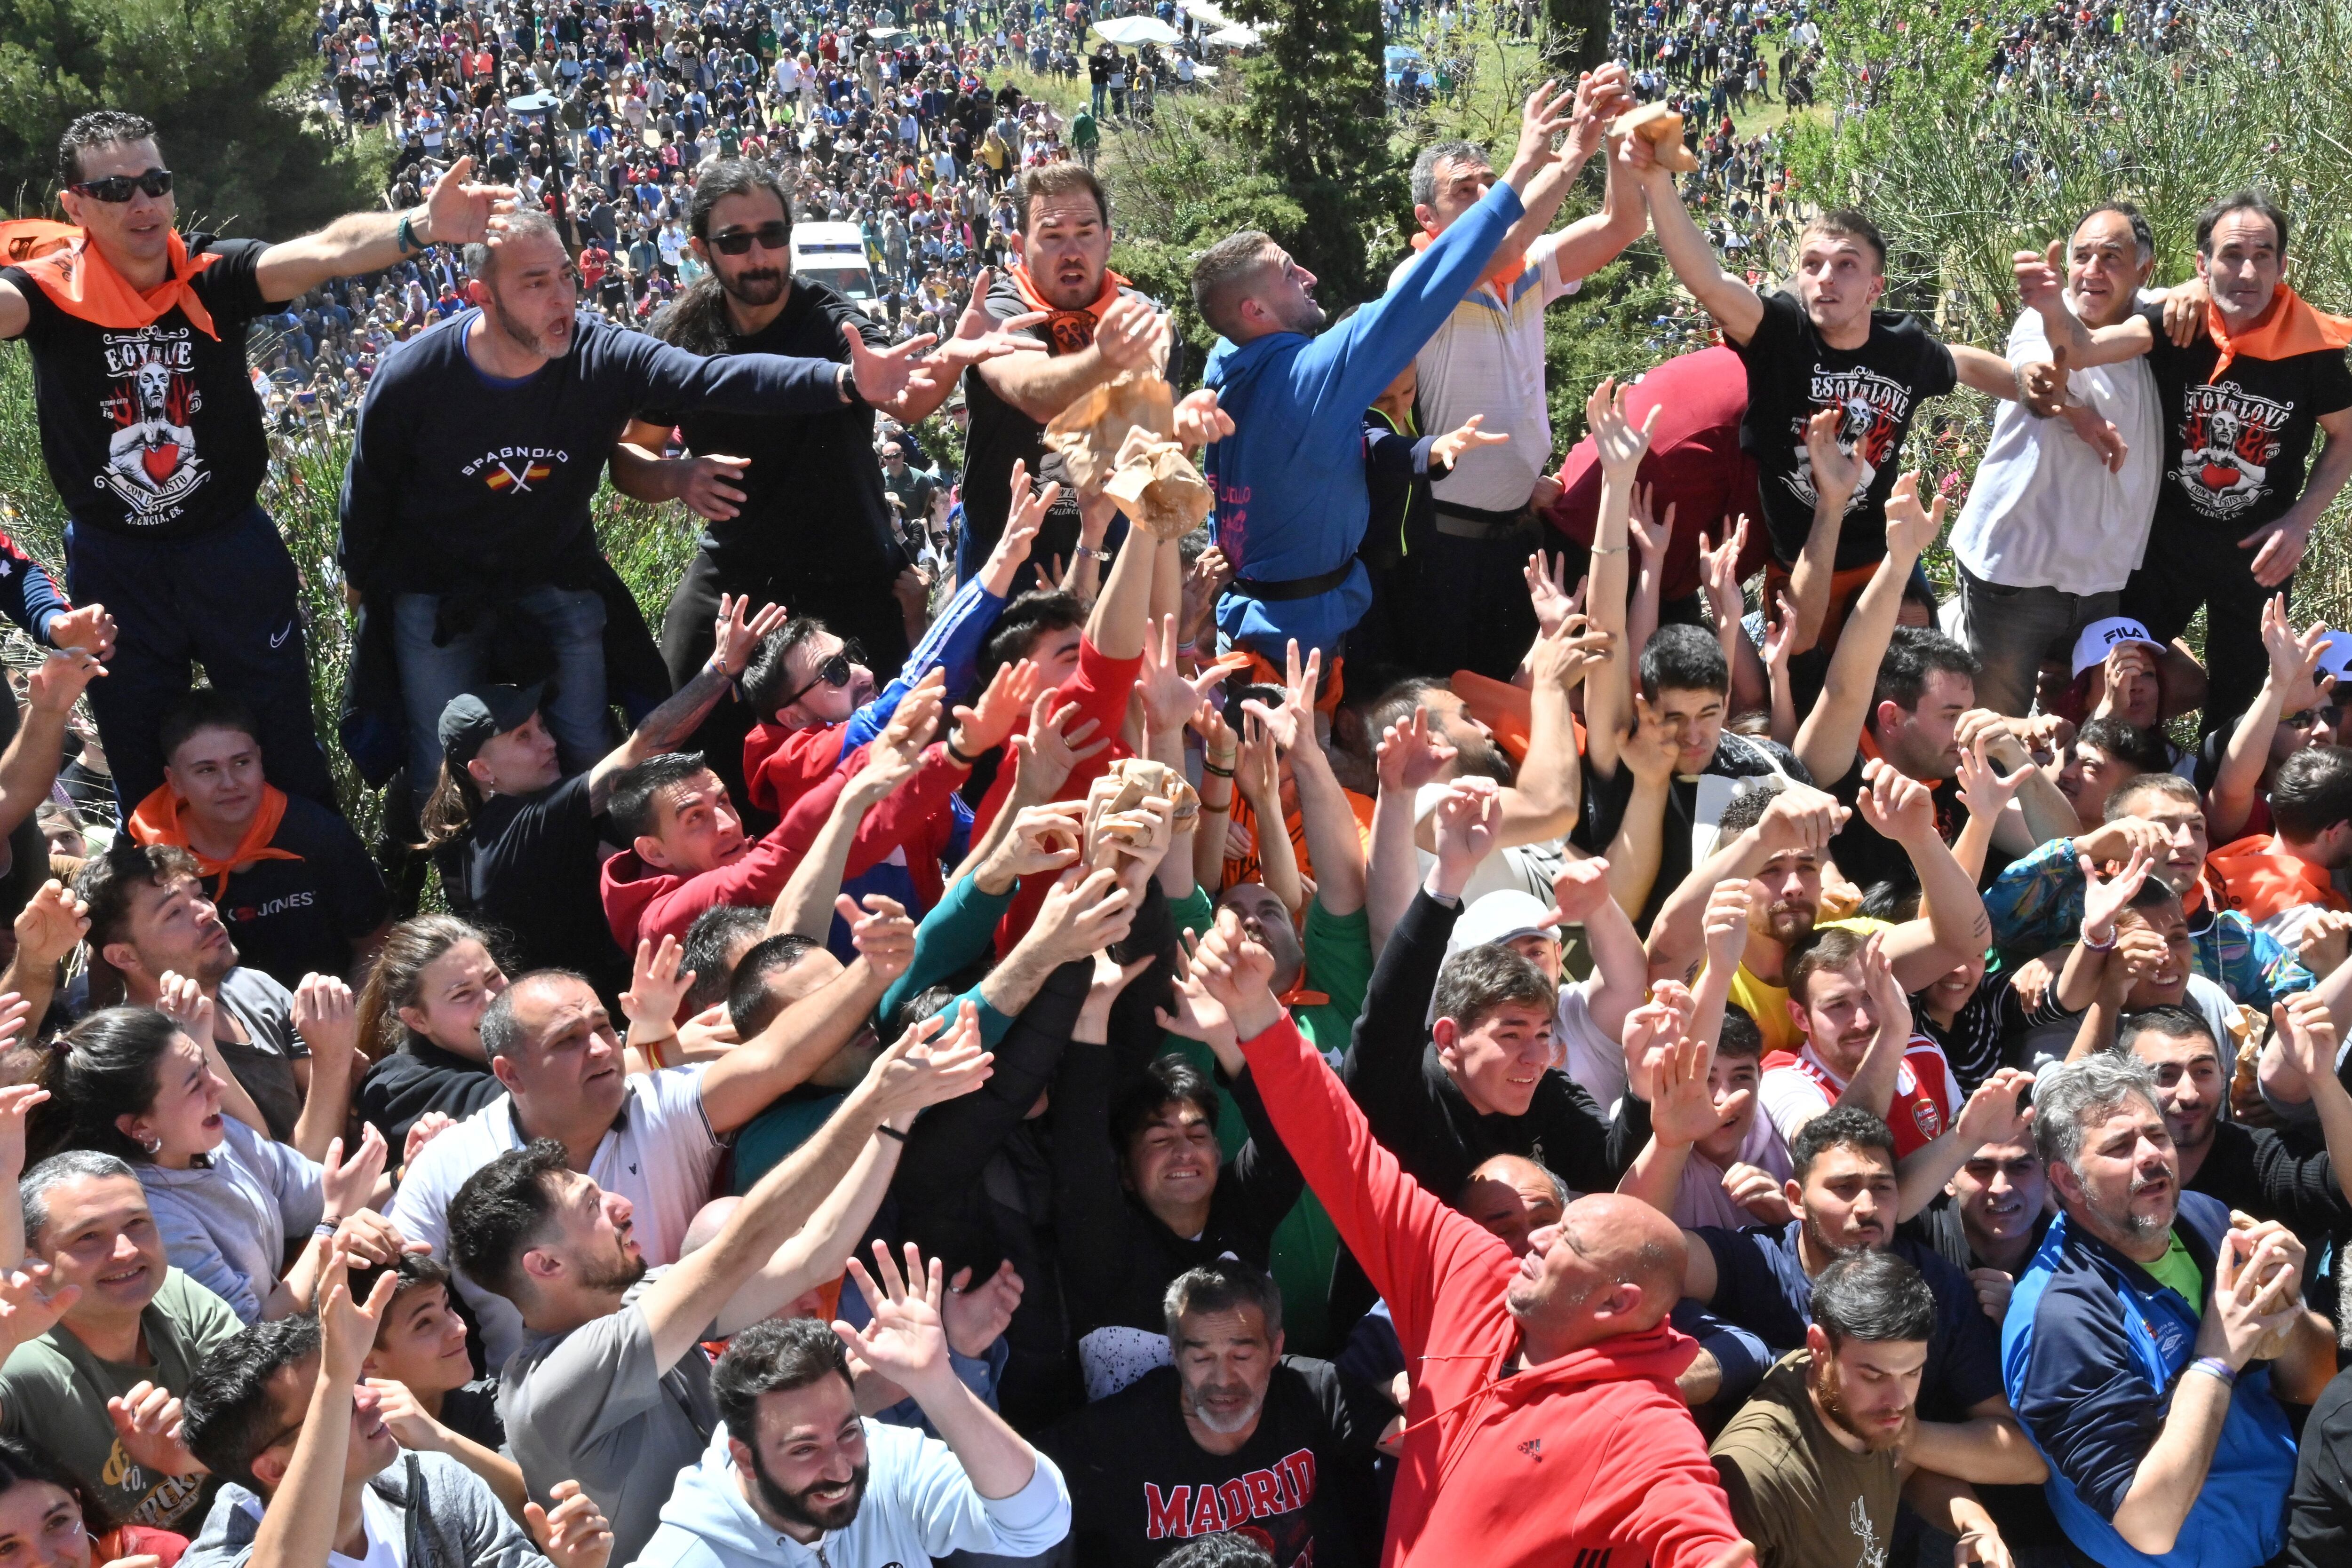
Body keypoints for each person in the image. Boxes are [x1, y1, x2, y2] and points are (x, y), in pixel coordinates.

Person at [1186, 907, 1755, 1568]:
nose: (1534, 1241)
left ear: (1615, 1303)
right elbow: (1345, 1154)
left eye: (1562, 1238)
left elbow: (1707, 1542)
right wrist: (1257, 1014)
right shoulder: (1473, 1271)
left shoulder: (1639, 1422)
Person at [336, 207, 941, 801]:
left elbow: (714, 378)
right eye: (535, 282)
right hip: (438, 595)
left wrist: (842, 383)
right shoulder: (413, 378)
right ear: (482, 296)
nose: (561, 299)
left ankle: (596, 882)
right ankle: (446, 890)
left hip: (555, 575)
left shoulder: (599, 355)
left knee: (593, 751)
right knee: (438, 766)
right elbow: (364, 508)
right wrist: (366, 608)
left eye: (566, 276)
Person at [0, 110, 511, 813]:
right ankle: (166, 910)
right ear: (76, 205)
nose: (143, 203)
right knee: (143, 763)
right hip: (117, 566)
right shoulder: (50, 291)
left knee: (284, 746)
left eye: (156, 182)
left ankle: (326, 900)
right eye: (117, 190)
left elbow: (326, 251)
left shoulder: (213, 274)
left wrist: (418, 226)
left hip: (228, 549)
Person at [443, 1005, 990, 1563]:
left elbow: (813, 1255)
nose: (622, 1206)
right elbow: (744, 1243)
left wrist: (897, 1115)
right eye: (593, 1206)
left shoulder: (636, 1297)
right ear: (546, 1265)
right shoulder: (554, 1387)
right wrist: (872, 1099)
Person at [611, 162, 1019, 729]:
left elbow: (906, 395)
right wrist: (676, 478)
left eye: (773, 235)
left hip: (848, 568)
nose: (759, 255)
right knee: (679, 710)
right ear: (702, 249)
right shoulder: (681, 334)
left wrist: (951, 355)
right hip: (739, 568)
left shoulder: (830, 320)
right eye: (735, 241)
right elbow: (630, 458)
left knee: (882, 738)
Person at [1195, 81, 1585, 666]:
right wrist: (1525, 163)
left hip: (1244, 620)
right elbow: (1430, 286)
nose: (1308, 275)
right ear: (1253, 311)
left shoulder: (1223, 364)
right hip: (1303, 639)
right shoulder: (1310, 377)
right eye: (1285, 271)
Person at [1620, 135, 2027, 652]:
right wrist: (1657, 183)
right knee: (1803, 687)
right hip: (1802, 563)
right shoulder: (1781, 334)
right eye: (1811, 265)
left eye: (1845, 265)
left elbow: (1960, 361)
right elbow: (1709, 282)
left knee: (1918, 693)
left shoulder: (1900, 348)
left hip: (1882, 562)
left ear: (1874, 288)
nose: (1824, 279)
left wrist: (2036, 391)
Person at [2016, 190, 2352, 732]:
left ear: (2281, 265)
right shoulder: (2177, 323)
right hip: (2161, 548)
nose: (2246, 272)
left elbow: (2345, 436)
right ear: (2202, 263)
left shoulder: (2309, 348)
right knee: (2114, 686)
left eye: (2262, 255)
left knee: (2238, 712)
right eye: (2229, 256)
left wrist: (2299, 521)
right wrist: (2053, 305)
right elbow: (2083, 348)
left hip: (2258, 558)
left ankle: (2215, 807)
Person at [2005, 1051, 2331, 1567]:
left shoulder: (2202, 1217)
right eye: (2118, 1146)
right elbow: (2148, 1525)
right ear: (2067, 1181)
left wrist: (2286, 1308)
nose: (2151, 1157)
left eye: (2156, 1136)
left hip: (2281, 1530)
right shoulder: (2060, 1320)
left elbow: (2313, 1382)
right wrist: (2214, 1361)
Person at [1397, 66, 1645, 680]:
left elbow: (1623, 226)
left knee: (1519, 695)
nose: (1487, 197)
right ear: (1427, 219)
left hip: (1518, 535)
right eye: (1464, 191)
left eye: (1491, 182)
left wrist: (1616, 137)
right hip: (1446, 545)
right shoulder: (1419, 281)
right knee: (1451, 694)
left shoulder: (1526, 264)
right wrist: (1569, 154)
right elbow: (1492, 251)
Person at [421, 593, 787, 998]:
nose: (547, 743)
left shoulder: (491, 834)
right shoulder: (521, 830)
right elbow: (646, 746)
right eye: (523, 737)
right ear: (482, 771)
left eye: (541, 726)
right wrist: (721, 668)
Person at [1660, 1108, 2043, 1488]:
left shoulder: (1937, 1287)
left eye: (1882, 1188)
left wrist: (1904, 1436)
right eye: (1844, 1188)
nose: (1866, 1207)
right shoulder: (1753, 1261)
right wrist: (1735, 1355)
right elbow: (1641, 1261)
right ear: (1796, 1199)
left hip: (1886, 1532)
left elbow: (2021, 1456)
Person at [176, 1260, 612, 1568]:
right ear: (273, 1467)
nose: (368, 1401)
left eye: (355, 1384)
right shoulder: (225, 1548)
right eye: (334, 1405)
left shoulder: (439, 1485)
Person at [1945, 204, 2167, 717]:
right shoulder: (2039, 321)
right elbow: (2036, 378)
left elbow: (2196, 296)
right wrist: (2067, 403)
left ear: (2143, 270)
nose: (2092, 271)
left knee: (2086, 728)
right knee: (1997, 730)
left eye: (2111, 257)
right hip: (2014, 577)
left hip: (2100, 584)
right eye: (2081, 256)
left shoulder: (2150, 323)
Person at [637, 1306, 1071, 1568]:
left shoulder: (888, 1459)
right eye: (805, 1449)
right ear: (746, 1458)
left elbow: (1037, 1525)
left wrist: (938, 1384)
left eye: (848, 1432)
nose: (842, 1468)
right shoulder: (685, 1557)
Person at [47, 1006, 388, 1325]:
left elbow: (323, 1197)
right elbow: (251, 1333)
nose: (219, 1087)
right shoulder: (147, 1218)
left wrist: (408, 1174)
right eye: (196, 1085)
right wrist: (334, 1223)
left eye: (206, 1066)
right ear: (141, 1128)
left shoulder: (222, 1138)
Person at [1040, 1262, 1394, 1568]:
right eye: (1202, 1359)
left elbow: (1425, 1443)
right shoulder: (1120, 1436)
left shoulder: (1312, 1391)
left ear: (1276, 1349)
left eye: (1241, 1357)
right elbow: (1015, 1495)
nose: (1223, 1380)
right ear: (1176, 1355)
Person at [1708, 1252, 2013, 1568]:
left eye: (1913, 1372)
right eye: (1874, 1376)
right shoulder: (1756, 1477)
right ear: (1820, 1348)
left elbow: (1904, 1470)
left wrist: (1976, 1525)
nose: (1898, 1400)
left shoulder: (1866, 1405)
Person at [0, 1149, 242, 1531]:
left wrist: (192, 1454)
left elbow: (277, 1415)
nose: (127, 1251)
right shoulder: (18, 1364)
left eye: (137, 1223)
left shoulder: (177, 1294)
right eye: (89, 1237)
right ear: (34, 1262)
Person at [956, 162, 1169, 580]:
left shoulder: (1143, 315)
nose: (1072, 252)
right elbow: (1034, 394)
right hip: (1002, 551)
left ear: (1108, 241)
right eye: (1052, 236)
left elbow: (1159, 436)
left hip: (1110, 541)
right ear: (1020, 246)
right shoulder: (999, 312)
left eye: (1086, 234)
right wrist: (1105, 361)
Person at [73, 842, 346, 1156]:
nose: (206, 912)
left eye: (200, 894)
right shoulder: (135, 1061)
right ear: (124, 955)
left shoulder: (255, 989)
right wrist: (332, 1061)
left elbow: (337, 1122)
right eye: (174, 912)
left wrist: (338, 1061)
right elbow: (286, 1179)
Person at [123, 691, 389, 993]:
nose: (230, 783)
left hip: (333, 1014)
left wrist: (347, 1030)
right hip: (211, 1026)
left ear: (260, 761)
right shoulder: (152, 861)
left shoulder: (318, 833)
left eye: (241, 763)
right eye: (207, 770)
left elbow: (376, 943)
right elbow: (138, 972)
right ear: (175, 781)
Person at [352, 917, 508, 1155]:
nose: (491, 999)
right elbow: (533, 1100)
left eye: (492, 978)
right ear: (417, 1019)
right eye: (462, 994)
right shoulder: (400, 1088)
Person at [0, 1433, 190, 1568]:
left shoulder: (160, 1554)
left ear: (79, 1507)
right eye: (8, 1547)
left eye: (57, 1522)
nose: (46, 1560)